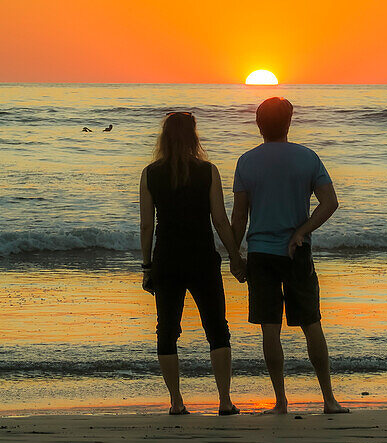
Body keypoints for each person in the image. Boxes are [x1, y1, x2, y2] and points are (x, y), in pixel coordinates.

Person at [231, 97, 349, 415]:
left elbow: (239, 217)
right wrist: (301, 231)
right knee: (312, 323)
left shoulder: (246, 161)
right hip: (297, 253)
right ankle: (329, 399)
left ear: (259, 125)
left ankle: (281, 401)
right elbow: (329, 202)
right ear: (288, 123)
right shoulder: (307, 157)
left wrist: (233, 255)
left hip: (260, 254)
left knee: (270, 327)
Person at [139, 112, 245, 415]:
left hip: (167, 259)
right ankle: (224, 400)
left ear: (164, 138)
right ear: (193, 137)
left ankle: (176, 402)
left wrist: (147, 266)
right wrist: (236, 257)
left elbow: (147, 226)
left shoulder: (150, 173)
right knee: (217, 328)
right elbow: (221, 221)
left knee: (167, 329)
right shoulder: (208, 171)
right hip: (202, 258)